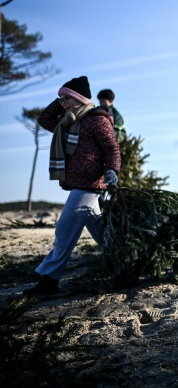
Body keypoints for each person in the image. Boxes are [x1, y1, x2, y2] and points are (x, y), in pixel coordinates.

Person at [22, 76, 121, 296]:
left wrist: (112, 169)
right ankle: (124, 266)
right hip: (79, 183)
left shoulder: (97, 119)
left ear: (79, 98)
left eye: (67, 98)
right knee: (102, 232)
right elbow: (44, 120)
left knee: (64, 230)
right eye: (61, 99)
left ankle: (49, 281)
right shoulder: (68, 122)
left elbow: (112, 149)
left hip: (91, 183)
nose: (63, 102)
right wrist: (61, 101)